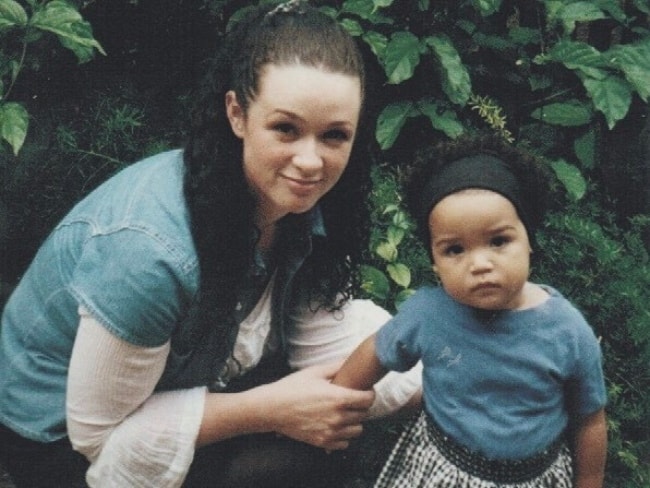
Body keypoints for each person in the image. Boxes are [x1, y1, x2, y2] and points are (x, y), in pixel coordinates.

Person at [0, 2, 422, 487]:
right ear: (237, 114)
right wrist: (267, 410)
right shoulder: (148, 252)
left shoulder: (292, 203)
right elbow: (99, 438)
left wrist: (468, 362)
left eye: (334, 136)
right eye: (285, 128)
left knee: (343, 425)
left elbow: (326, 336)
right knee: (284, 465)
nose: (310, 160)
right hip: (59, 436)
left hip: (176, 382)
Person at [333, 134, 608, 488]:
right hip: (441, 469)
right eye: (455, 250)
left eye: (498, 241)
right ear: (435, 263)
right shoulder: (428, 315)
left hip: (534, 477)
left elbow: (590, 419)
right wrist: (339, 400)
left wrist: (589, 482)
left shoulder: (567, 330)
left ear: (529, 241)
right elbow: (377, 350)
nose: (480, 263)